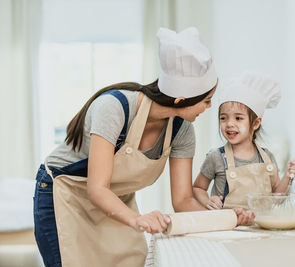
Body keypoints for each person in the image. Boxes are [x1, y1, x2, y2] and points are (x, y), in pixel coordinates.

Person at [33, 27, 252, 267]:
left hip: (115, 202)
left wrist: (225, 217)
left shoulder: (182, 131)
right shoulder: (114, 108)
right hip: (65, 195)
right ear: (181, 100)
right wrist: (137, 219)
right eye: (206, 101)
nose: (209, 108)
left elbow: (183, 200)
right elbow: (97, 189)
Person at [193, 71, 295, 210]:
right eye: (223, 118)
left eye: (238, 118)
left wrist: (288, 175)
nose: (229, 124)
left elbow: (277, 198)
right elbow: (198, 188)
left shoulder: (267, 158)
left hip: (261, 228)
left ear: (256, 123)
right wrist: (208, 201)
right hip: (227, 229)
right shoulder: (216, 157)